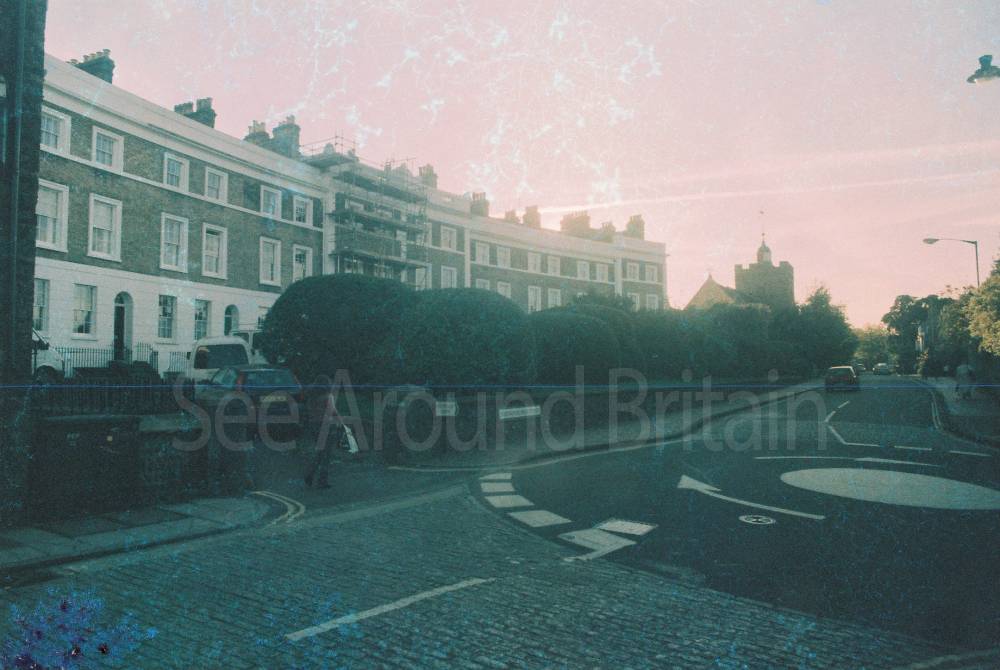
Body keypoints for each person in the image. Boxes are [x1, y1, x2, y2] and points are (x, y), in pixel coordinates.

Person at [303, 374, 344, 489]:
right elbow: (332, 411)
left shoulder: (311, 397)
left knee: (320, 452)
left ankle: (310, 474)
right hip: (325, 426)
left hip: (313, 425)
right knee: (326, 454)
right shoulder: (328, 396)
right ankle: (322, 480)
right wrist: (340, 421)